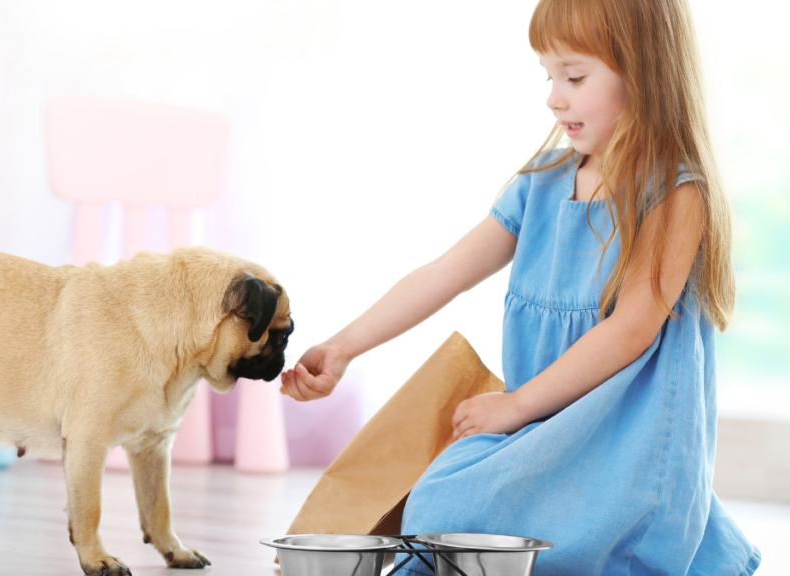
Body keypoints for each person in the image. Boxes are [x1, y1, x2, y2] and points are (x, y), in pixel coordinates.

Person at [279, 0, 760, 573]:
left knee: (447, 504)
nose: (554, 97)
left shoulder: (675, 192)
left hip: (623, 451)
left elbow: (631, 330)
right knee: (439, 500)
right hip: (541, 431)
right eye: (549, 76)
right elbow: (443, 273)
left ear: (645, 70)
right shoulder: (543, 183)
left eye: (575, 76)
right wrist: (344, 346)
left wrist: (514, 407)